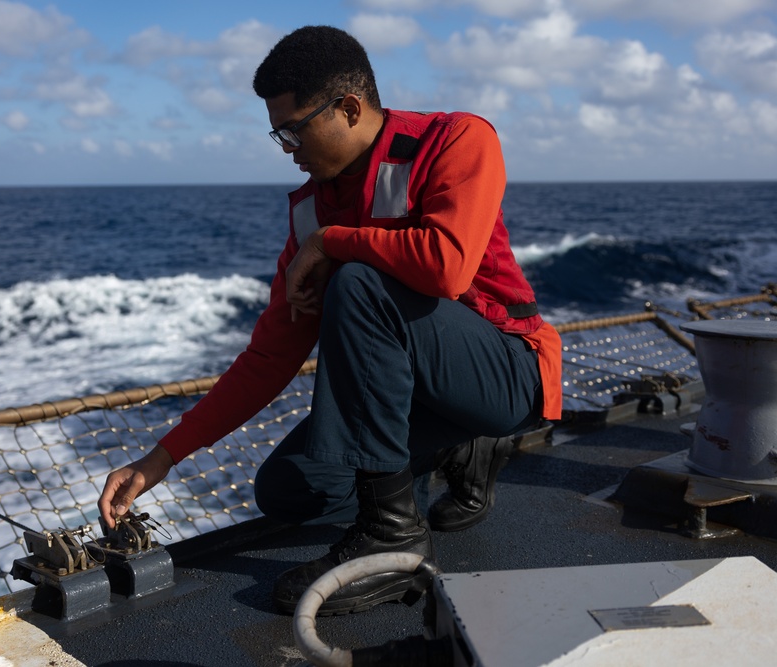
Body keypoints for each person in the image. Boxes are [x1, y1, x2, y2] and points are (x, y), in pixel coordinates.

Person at [98, 25, 562, 616]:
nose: (288, 149)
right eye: (278, 134)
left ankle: (395, 538)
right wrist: (161, 456)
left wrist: (334, 242)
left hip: (508, 371)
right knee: (288, 490)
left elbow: (446, 268)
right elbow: (269, 357)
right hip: (417, 398)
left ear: (347, 108)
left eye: (293, 130)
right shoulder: (310, 210)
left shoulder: (457, 139)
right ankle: (453, 453)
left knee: (359, 282)